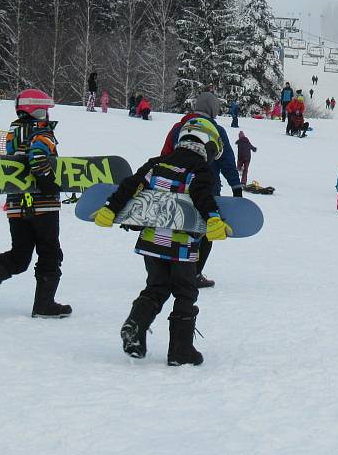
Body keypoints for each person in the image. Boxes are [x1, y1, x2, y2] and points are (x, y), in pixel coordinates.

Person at [95, 117, 230, 365]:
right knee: (185, 293)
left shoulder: (156, 164)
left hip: (151, 242)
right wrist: (213, 219)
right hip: (182, 246)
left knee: (156, 287)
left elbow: (130, 186)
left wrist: (110, 209)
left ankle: (135, 326)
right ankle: (181, 350)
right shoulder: (200, 171)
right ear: (207, 146)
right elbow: (201, 196)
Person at [0, 89, 71, 317]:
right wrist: (47, 182)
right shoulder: (43, 133)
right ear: (35, 111)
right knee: (50, 253)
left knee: (21, 255)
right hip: (42, 205)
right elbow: (37, 157)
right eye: (43, 110)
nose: (46, 115)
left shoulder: (13, 134)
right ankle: (44, 305)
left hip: (16, 204)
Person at [161, 87, 241, 289]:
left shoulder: (179, 127)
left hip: (177, 186)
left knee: (179, 226)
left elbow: (165, 155)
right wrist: (236, 187)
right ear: (213, 110)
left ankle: (172, 270)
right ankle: (194, 273)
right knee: (205, 231)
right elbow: (227, 162)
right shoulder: (216, 130)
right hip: (207, 188)